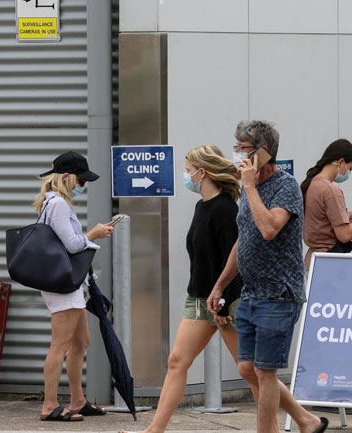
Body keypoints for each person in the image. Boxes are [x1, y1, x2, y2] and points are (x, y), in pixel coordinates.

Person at [120, 145, 252, 433]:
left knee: (251, 372)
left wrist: (223, 300)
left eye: (188, 168)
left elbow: (236, 259)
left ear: (201, 172)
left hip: (225, 302)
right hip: (198, 299)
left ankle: (303, 419)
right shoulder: (201, 206)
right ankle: (155, 430)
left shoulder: (227, 209)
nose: (185, 174)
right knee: (177, 361)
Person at [208, 121, 328, 433]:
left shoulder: (285, 186)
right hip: (251, 292)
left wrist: (248, 186)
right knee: (247, 367)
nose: (237, 154)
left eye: (243, 148)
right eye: (235, 147)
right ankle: (307, 420)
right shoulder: (249, 188)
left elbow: (269, 228)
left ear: (263, 152)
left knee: (265, 371)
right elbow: (244, 239)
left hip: (279, 293)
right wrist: (221, 284)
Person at [34, 151, 113, 422]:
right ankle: (49, 405)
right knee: (61, 343)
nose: (83, 186)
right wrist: (94, 233)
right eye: (81, 181)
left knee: (81, 341)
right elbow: (73, 245)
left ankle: (77, 400)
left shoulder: (57, 203)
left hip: (71, 282)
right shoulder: (57, 205)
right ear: (66, 178)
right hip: (61, 283)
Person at [299, 139, 352, 270]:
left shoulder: (311, 184)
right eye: (351, 168)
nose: (350, 172)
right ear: (340, 162)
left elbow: (319, 220)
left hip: (312, 261)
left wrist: (345, 217)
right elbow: (345, 235)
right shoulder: (331, 191)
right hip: (329, 264)